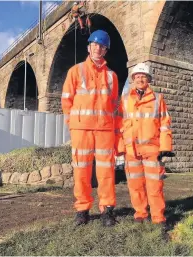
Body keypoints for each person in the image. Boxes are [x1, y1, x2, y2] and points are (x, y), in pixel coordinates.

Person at [61, 30, 119, 227]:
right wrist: (72, 123)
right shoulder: (75, 71)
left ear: (106, 51)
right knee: (81, 171)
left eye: (102, 46)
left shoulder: (112, 76)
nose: (98, 48)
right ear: (89, 47)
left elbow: (115, 106)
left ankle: (107, 210)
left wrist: (116, 131)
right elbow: (66, 101)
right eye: (95, 45)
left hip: (104, 130)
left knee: (106, 172)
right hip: (81, 130)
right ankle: (82, 210)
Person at [115, 62, 174, 229]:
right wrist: (120, 147)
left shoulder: (158, 99)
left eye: (143, 76)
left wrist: (165, 147)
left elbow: (165, 124)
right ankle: (140, 214)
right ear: (133, 79)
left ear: (149, 79)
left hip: (152, 150)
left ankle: (158, 217)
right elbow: (119, 123)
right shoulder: (125, 99)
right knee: (135, 185)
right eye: (137, 76)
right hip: (131, 151)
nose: (140, 79)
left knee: (154, 185)